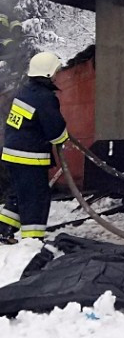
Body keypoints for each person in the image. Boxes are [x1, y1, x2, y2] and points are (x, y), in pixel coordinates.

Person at [0, 52, 69, 244]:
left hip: (12, 156)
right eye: (56, 71)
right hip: (29, 158)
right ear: (48, 74)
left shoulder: (25, 92)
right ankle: (32, 240)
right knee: (36, 198)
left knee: (19, 193)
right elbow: (55, 131)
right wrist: (64, 138)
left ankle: (3, 229)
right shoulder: (45, 98)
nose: (57, 75)